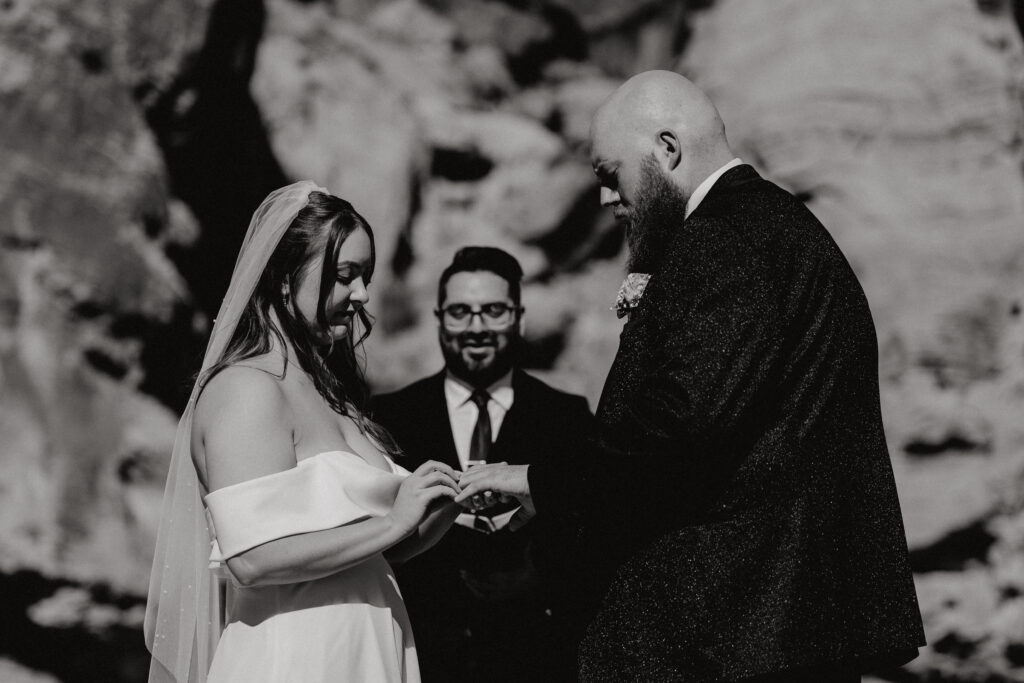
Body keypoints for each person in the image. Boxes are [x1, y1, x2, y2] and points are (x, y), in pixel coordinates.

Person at [457, 70, 926, 682]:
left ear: (667, 150)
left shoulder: (728, 239)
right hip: (775, 626)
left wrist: (535, 479)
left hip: (739, 629)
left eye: (609, 174)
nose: (605, 199)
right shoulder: (770, 229)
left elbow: (677, 433)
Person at [144, 181, 463, 683]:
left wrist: (447, 501)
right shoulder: (247, 389)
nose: (360, 295)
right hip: (295, 658)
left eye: (365, 277)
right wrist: (392, 522)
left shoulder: (327, 392)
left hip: (366, 652)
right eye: (344, 276)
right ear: (285, 278)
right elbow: (251, 558)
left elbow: (365, 551)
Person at [371, 246, 597, 683]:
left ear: (519, 319)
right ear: (439, 320)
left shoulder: (566, 416)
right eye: (460, 312)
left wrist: (539, 576)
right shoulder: (388, 417)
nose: (476, 327)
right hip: (418, 653)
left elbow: (591, 524)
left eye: (493, 310)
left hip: (536, 656)